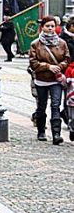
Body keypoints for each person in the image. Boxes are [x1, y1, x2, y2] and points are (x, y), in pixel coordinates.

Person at [29, 15, 70, 145]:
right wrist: (48, 66)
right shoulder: (35, 44)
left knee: (55, 105)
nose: (50, 28)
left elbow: (66, 59)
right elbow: (33, 63)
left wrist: (59, 67)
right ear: (42, 27)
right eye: (48, 26)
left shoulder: (62, 43)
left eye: (52, 26)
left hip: (56, 80)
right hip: (41, 79)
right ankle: (41, 131)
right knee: (42, 106)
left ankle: (56, 134)